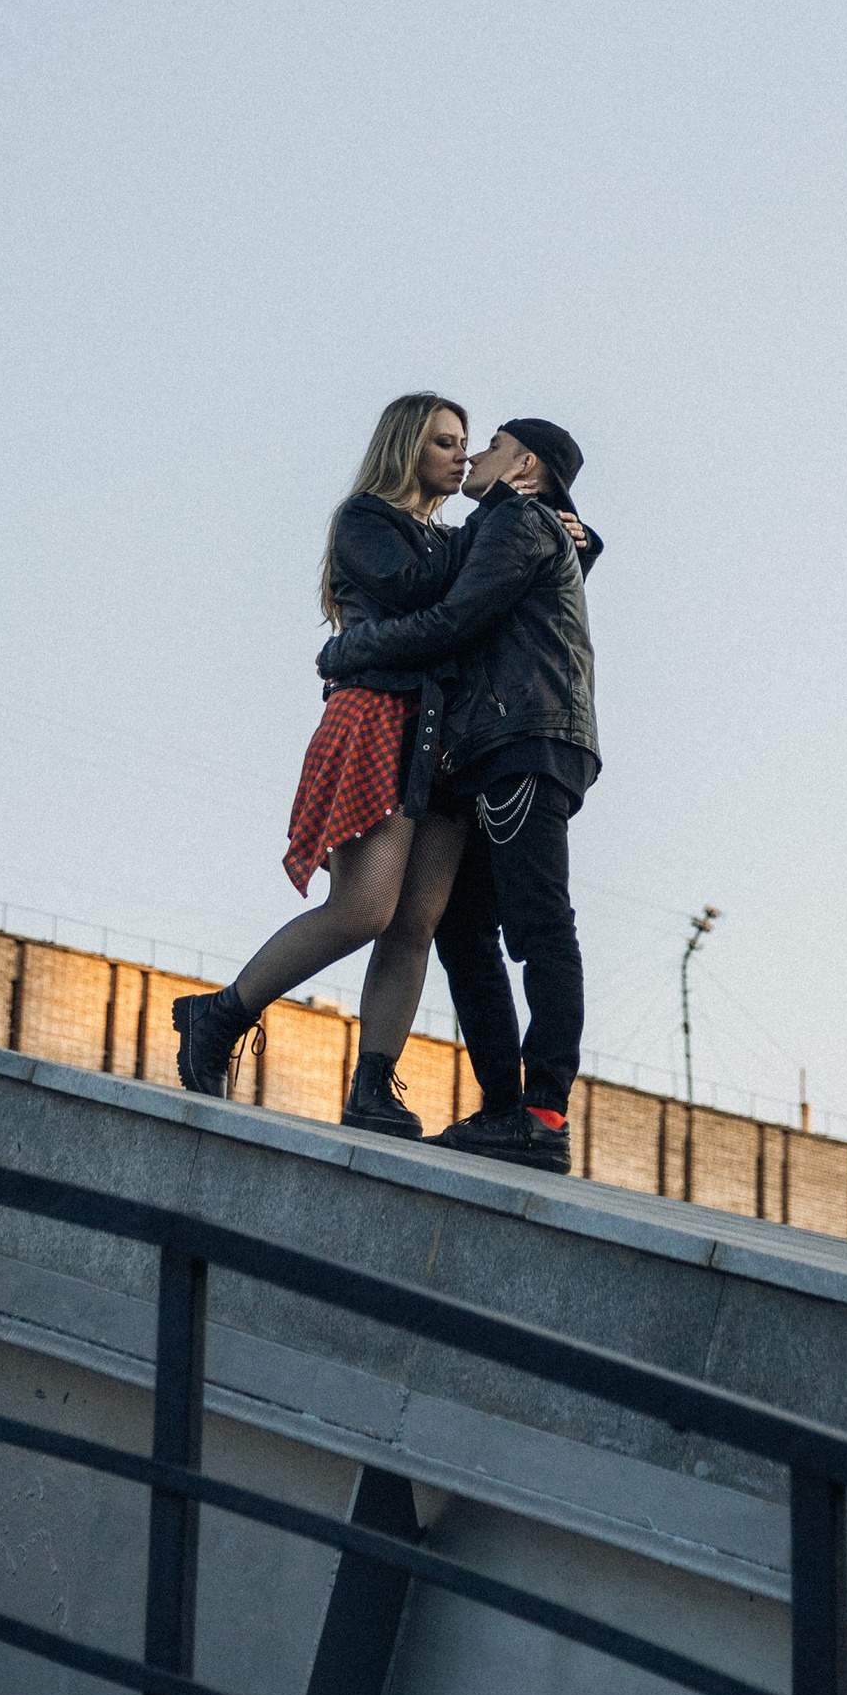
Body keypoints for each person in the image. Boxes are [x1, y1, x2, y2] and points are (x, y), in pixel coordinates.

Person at [170, 391, 478, 1133]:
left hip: (448, 734)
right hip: (384, 715)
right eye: (444, 442)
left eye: (465, 443)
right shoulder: (368, 519)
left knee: (416, 923)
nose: (461, 456)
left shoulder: (454, 539)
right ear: (407, 447)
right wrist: (489, 547)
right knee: (363, 909)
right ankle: (219, 1014)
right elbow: (415, 597)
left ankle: (373, 1085)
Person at [320, 414, 599, 1174]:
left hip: (523, 744)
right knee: (464, 932)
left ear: (527, 466)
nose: (474, 454)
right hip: (490, 753)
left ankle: (539, 1114)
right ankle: (506, 1110)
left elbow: (451, 619)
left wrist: (347, 650)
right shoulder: (504, 530)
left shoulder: (516, 523)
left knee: (538, 926)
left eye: (493, 445)